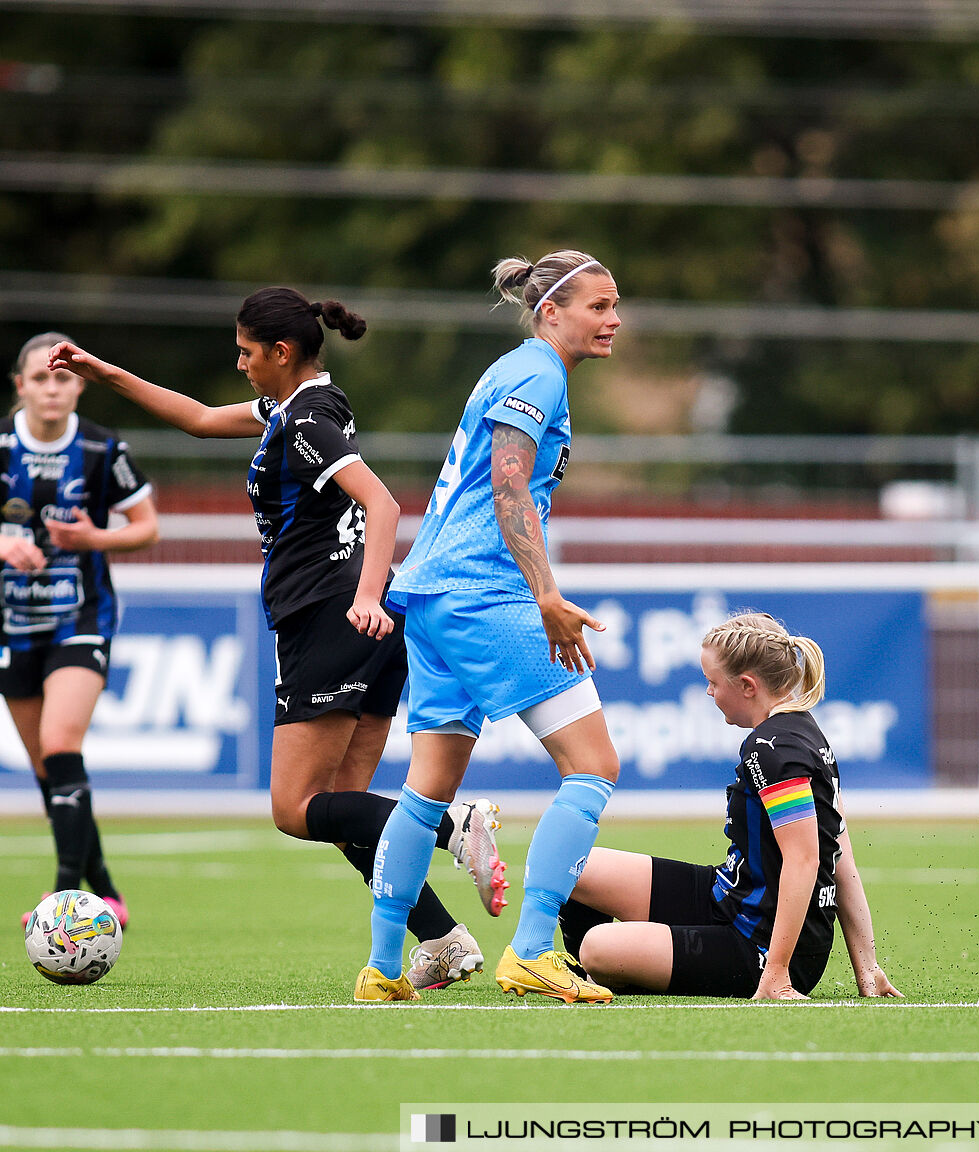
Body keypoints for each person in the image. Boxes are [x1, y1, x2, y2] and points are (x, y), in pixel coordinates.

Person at [47, 291, 505, 991]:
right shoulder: (303, 409)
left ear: (281, 353)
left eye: (246, 352)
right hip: (371, 623)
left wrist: (359, 596)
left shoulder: (306, 425)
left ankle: (454, 825)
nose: (239, 364)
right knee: (347, 811)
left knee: (295, 810)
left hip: (333, 618)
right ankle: (442, 938)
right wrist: (101, 373)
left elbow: (381, 502)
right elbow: (198, 420)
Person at [356, 249, 625, 1004]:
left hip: (432, 597)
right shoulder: (539, 373)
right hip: (484, 593)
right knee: (594, 765)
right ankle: (534, 950)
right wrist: (545, 594)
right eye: (599, 306)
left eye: (614, 305)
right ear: (551, 312)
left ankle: (381, 968)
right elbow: (510, 490)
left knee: (427, 788)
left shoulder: (514, 367)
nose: (613, 319)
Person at [555, 613, 901, 1001]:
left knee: (599, 948)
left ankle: (610, 971)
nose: (708, 692)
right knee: (573, 866)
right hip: (729, 898)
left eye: (713, 683)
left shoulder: (775, 749)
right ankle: (600, 974)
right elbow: (841, 857)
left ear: (747, 686)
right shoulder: (800, 732)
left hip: (760, 944)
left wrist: (778, 972)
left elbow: (809, 861)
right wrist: (867, 968)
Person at [6, 332, 158, 930]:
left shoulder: (100, 449)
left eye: (63, 377)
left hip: (81, 616)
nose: (52, 388)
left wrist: (93, 538)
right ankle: (107, 890)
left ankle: (63, 901)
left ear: (78, 385)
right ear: (20, 386)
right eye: (40, 378)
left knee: (60, 743)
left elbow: (147, 527)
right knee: (51, 772)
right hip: (11, 624)